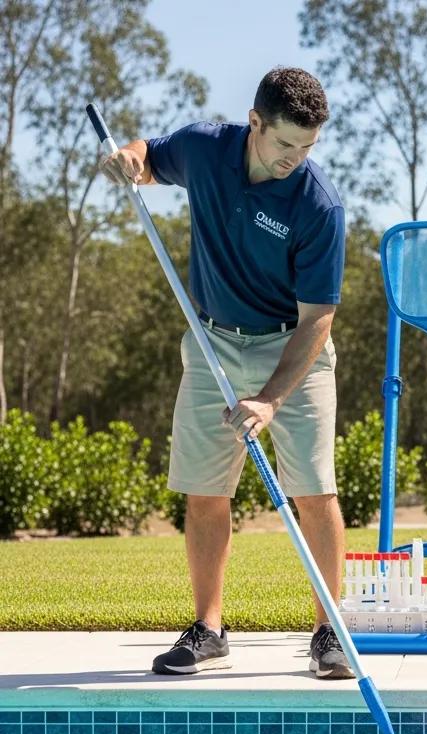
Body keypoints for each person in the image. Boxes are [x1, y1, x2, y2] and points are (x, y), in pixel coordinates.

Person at [101, 67, 352, 678]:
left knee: (314, 491)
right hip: (212, 341)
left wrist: (270, 400)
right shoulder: (205, 148)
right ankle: (209, 630)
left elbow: (318, 320)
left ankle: (329, 633)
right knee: (205, 492)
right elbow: (149, 157)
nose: (295, 158)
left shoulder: (318, 205)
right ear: (255, 122)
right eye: (285, 142)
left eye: (307, 146)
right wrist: (129, 159)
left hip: (294, 350)